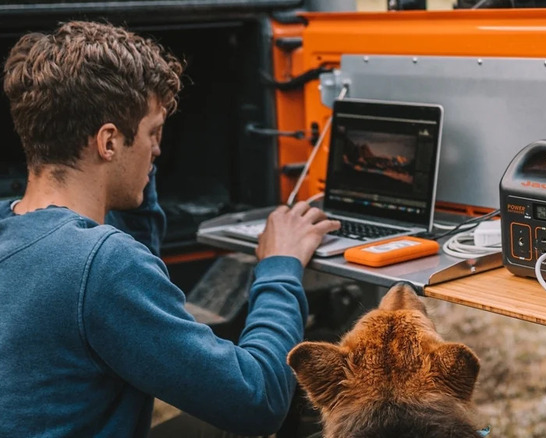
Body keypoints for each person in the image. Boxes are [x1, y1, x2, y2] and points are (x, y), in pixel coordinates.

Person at [0, 20, 340, 437]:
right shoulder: (100, 267)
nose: (158, 150)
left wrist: (138, 160)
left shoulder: (14, 225)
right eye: (153, 134)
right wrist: (281, 266)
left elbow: (124, 255)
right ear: (108, 142)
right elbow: (259, 399)